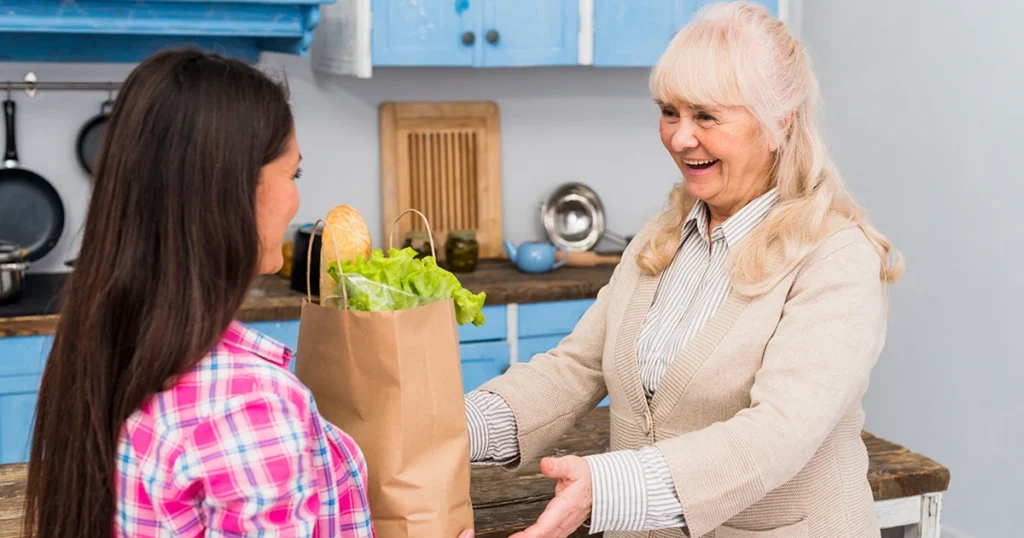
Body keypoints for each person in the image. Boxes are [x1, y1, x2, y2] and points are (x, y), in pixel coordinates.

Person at [464, 3, 903, 538]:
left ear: (779, 123)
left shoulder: (836, 258)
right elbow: (575, 368)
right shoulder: (663, 237)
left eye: (706, 116)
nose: (679, 138)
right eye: (669, 111)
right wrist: (451, 430)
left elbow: (777, 434)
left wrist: (605, 488)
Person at [21, 49, 386, 538]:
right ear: (234, 189)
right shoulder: (249, 406)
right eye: (292, 173)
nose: (297, 198)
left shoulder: (89, 350)